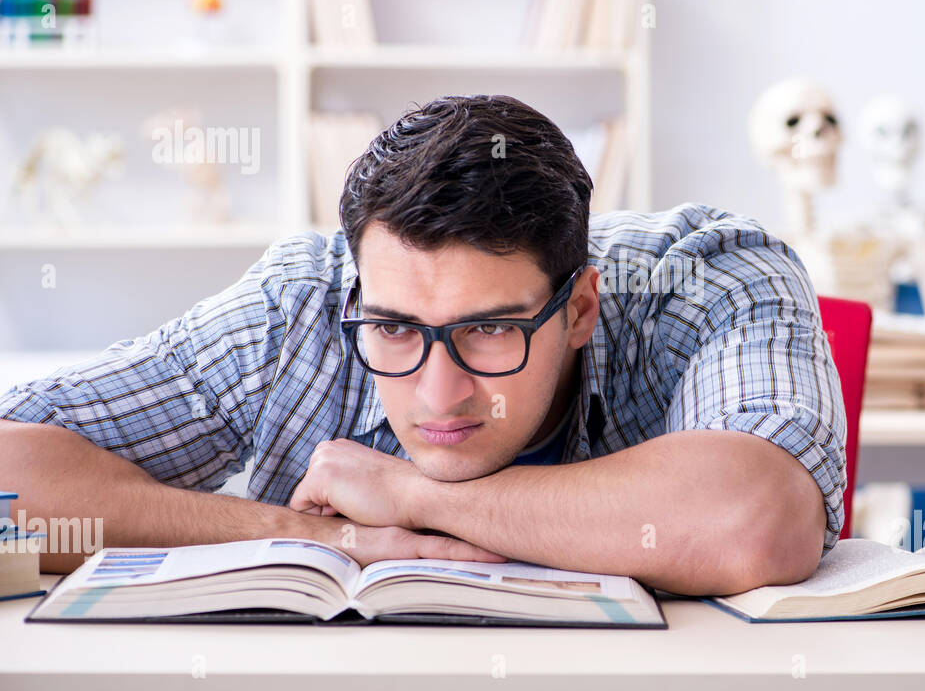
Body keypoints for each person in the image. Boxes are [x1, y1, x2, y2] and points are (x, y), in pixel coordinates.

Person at [0, 95, 847, 597]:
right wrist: (319, 538)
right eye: (396, 328)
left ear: (581, 307)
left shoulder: (707, 275)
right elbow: (9, 476)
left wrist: (413, 495)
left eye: (491, 330)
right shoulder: (302, 305)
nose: (440, 396)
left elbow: (756, 521)